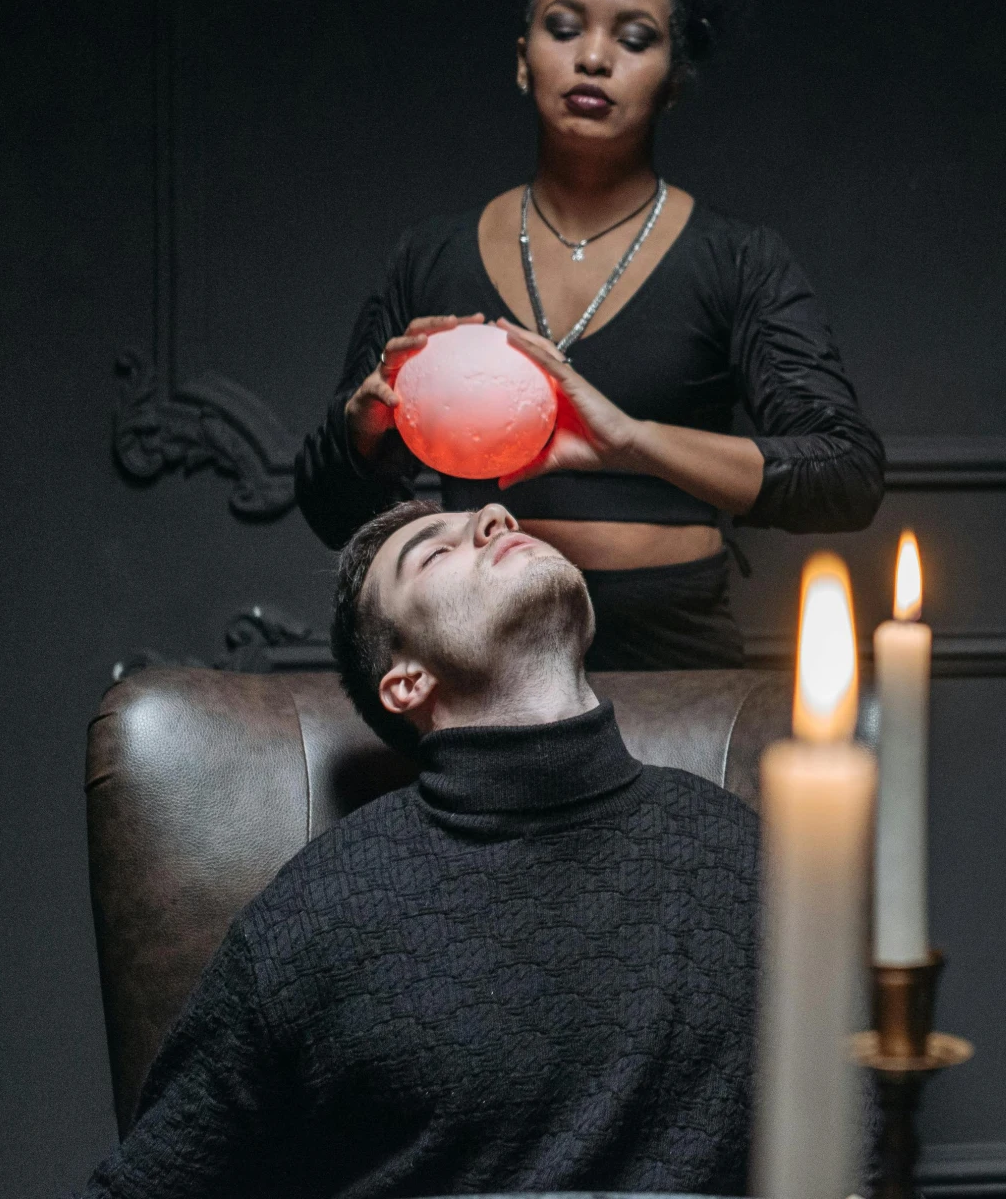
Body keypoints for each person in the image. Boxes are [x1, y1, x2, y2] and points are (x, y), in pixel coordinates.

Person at [79, 499, 760, 1199]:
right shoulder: (316, 918)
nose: (496, 515)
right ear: (406, 681)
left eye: (495, 520)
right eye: (435, 552)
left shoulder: (748, 856)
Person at [295, 0, 885, 670]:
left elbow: (844, 476)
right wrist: (364, 429)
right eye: (564, 28)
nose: (594, 58)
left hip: (675, 660)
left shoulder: (738, 258)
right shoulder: (429, 255)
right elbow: (331, 514)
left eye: (634, 39)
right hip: (474, 659)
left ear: (672, 82)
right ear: (521, 59)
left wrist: (630, 443)